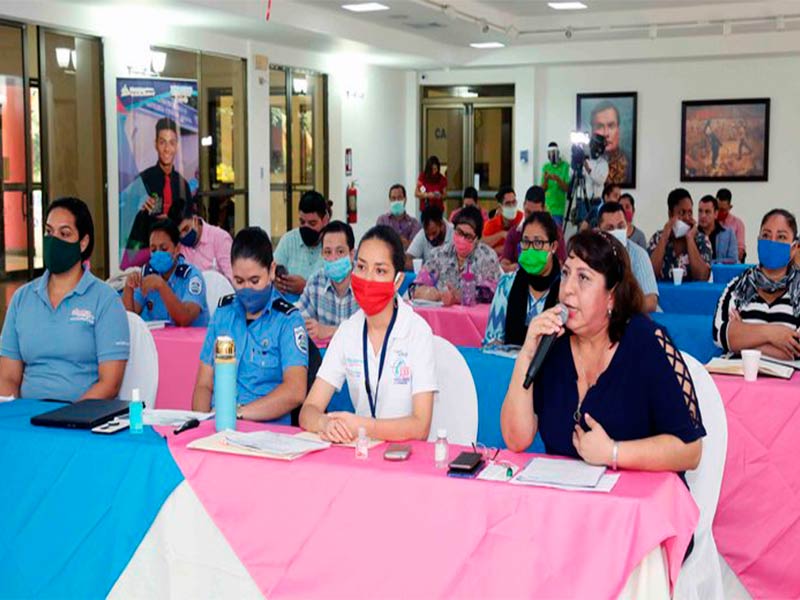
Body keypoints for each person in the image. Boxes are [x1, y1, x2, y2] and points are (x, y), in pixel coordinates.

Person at [500, 230, 704, 480]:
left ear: (612, 296)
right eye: (565, 274)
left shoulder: (648, 342)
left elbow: (690, 450)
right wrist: (527, 353)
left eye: (583, 277)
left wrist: (613, 453)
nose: (567, 291)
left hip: (638, 506)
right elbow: (516, 439)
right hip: (569, 506)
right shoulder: (554, 343)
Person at [299, 225, 438, 442]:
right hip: (360, 451)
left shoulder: (417, 332)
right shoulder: (348, 331)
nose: (368, 279)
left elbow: (420, 426)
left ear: (398, 281)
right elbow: (308, 409)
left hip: (405, 455)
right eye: (362, 267)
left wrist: (363, 426)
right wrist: (324, 423)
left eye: (380, 270)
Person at [0, 197, 129, 401]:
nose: (54, 240)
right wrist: (11, 415)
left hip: (80, 419)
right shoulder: (21, 299)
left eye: (65, 233)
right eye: (49, 232)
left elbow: (110, 383)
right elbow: (7, 377)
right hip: (26, 418)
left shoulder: (105, 300)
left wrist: (68, 417)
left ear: (83, 242)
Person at [192, 227, 308, 423]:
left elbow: (295, 391)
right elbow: (204, 384)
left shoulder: (288, 320)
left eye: (255, 281)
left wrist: (235, 413)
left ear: (271, 271)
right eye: (239, 281)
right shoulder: (223, 314)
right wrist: (201, 422)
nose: (246, 289)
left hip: (266, 433)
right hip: (217, 426)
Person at [713, 209, 800, 360]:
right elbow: (720, 334)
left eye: (781, 237)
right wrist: (773, 334)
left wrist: (742, 337)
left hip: (787, 381)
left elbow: (795, 351)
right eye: (766, 235)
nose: (772, 241)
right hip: (737, 376)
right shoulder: (737, 287)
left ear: (794, 249)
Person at [122, 117, 194, 268]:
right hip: (145, 254)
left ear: (177, 146)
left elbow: (189, 223)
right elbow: (126, 220)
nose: (167, 149)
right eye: (162, 142)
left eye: (171, 143)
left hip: (175, 255)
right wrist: (139, 210)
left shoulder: (183, 186)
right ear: (155, 144)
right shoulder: (142, 181)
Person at [484, 212, 562, 347]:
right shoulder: (507, 284)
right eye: (526, 242)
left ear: (553, 247)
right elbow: (492, 341)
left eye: (538, 242)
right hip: (509, 364)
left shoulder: (564, 289)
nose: (530, 249)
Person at [122, 220, 209, 327]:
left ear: (177, 249)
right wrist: (129, 288)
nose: (158, 253)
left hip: (190, 342)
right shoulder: (147, 274)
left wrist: (161, 286)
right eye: (153, 250)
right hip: (158, 341)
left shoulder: (191, 276)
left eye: (163, 249)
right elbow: (130, 319)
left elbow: (185, 319)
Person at [414, 206, 501, 305]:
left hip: (474, 318)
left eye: (468, 236)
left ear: (477, 239)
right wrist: (434, 294)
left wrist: (460, 296)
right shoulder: (439, 254)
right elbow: (416, 288)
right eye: (459, 232)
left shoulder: (487, 256)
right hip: (441, 317)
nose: (462, 239)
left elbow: (491, 293)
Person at [296, 221, 360, 344]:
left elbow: (374, 332)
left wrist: (330, 331)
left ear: (352, 255)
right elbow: (298, 320)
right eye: (327, 252)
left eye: (340, 252)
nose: (333, 258)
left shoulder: (367, 282)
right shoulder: (316, 282)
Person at [597, 203, 659, 313]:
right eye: (610, 228)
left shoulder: (639, 254)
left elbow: (651, 301)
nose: (616, 231)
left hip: (636, 317)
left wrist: (619, 310)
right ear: (599, 231)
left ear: (627, 227)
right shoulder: (592, 255)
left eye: (621, 226)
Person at [648, 188, 712, 282]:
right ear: (670, 214)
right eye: (682, 213)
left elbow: (702, 277)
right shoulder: (657, 238)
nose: (687, 218)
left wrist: (690, 239)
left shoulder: (701, 240)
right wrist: (664, 237)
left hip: (692, 295)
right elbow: (649, 275)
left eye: (690, 213)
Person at [273, 190, 330, 296]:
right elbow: (271, 271)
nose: (306, 227)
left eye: (312, 223)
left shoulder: (333, 245)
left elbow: (337, 289)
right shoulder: (289, 240)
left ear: (325, 220)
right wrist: (276, 281)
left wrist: (306, 287)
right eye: (302, 222)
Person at [500, 186, 566, 271]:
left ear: (544, 209)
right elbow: (504, 264)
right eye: (528, 212)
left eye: (535, 214)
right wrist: (515, 268)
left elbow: (560, 265)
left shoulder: (555, 232)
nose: (531, 218)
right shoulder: (514, 233)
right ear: (523, 205)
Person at [176, 200, 234, 281]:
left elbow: (232, 278)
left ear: (195, 220)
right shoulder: (179, 246)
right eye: (179, 233)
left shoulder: (220, 238)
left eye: (186, 229)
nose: (183, 235)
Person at [590, 101, 631, 185]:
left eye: (611, 126)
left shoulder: (629, 162)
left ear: (618, 130)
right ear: (592, 131)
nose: (606, 134)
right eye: (599, 127)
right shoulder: (586, 161)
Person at [405, 205, 453, 269]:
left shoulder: (454, 234)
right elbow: (408, 258)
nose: (431, 238)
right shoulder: (422, 234)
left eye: (434, 233)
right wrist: (425, 270)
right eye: (427, 234)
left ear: (442, 225)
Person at [376, 184, 421, 250]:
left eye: (399, 198)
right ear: (390, 200)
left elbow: (415, 248)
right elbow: (379, 243)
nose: (396, 201)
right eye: (393, 198)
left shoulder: (414, 223)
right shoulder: (382, 220)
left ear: (405, 199)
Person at [697, 195, 738, 264]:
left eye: (707, 212)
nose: (703, 216)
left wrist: (711, 263)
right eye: (700, 211)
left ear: (716, 214)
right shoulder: (693, 235)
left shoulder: (729, 234)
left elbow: (733, 260)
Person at [482, 186, 523, 255]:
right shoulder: (491, 224)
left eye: (514, 202)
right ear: (500, 207)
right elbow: (482, 246)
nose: (512, 206)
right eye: (508, 203)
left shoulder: (521, 217)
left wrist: (506, 248)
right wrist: (501, 234)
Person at [541, 142, 570, 227]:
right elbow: (542, 189)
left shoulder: (565, 166)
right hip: (546, 208)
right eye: (549, 154)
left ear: (558, 153)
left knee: (556, 235)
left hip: (558, 210)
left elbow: (567, 189)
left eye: (553, 153)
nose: (551, 155)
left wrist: (557, 179)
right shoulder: (546, 167)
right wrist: (546, 180)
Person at [716, 188, 746, 262]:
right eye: (717, 209)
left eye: (722, 210)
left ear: (730, 207)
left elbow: (740, 251)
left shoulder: (738, 224)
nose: (719, 212)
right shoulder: (710, 222)